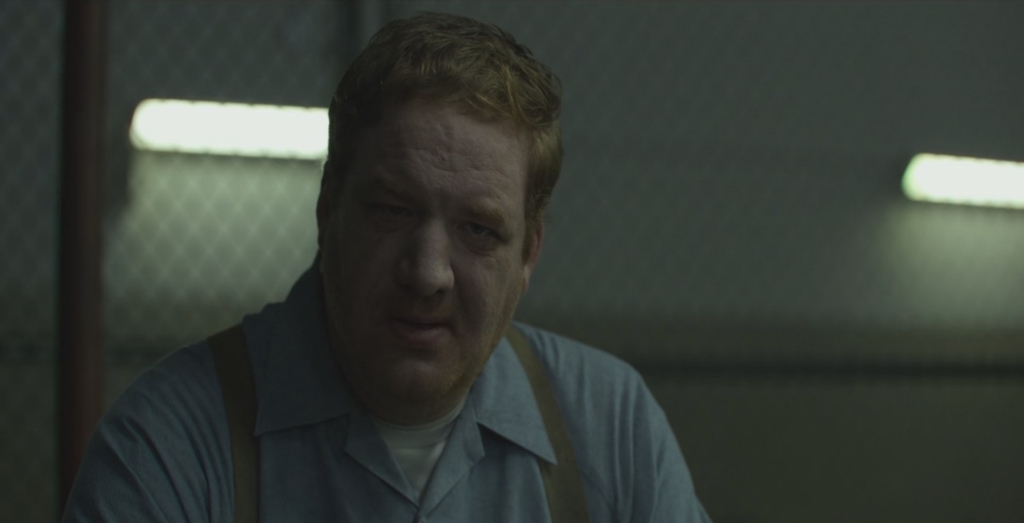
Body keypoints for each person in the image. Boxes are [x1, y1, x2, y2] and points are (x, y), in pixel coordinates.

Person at [62, 12, 711, 523]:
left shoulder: (609, 428)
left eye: (479, 230)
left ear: (527, 256)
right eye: (394, 210)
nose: (428, 273)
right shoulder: (171, 443)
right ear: (329, 209)